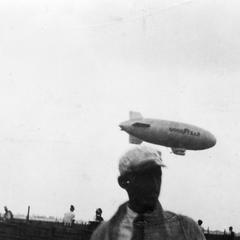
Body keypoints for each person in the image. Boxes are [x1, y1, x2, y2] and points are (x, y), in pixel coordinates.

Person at [90, 145, 206, 240]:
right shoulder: (104, 233)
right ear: (124, 182)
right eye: (144, 177)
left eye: (157, 176)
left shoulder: (187, 228)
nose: (154, 184)